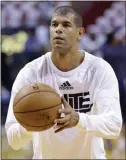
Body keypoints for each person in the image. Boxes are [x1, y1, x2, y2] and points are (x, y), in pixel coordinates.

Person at [5, 6, 122, 159]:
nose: (58, 30)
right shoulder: (31, 72)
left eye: (66, 25)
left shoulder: (99, 70)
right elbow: (14, 141)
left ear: (80, 33)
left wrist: (79, 119)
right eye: (54, 25)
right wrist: (29, 123)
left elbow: (114, 126)